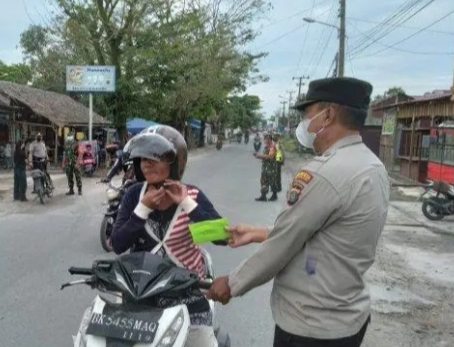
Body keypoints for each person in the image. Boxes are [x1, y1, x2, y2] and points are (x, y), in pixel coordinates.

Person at [206, 77, 390, 347]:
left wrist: (231, 283)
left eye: (307, 114)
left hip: (310, 325)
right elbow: (325, 234)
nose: (304, 122)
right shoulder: (372, 165)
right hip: (348, 317)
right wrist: (257, 233)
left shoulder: (325, 172)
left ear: (328, 115)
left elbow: (283, 244)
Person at [110, 124, 227, 347]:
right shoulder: (135, 195)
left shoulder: (191, 194)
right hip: (141, 292)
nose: (147, 164)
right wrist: (141, 210)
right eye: (143, 158)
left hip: (187, 293)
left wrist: (187, 204)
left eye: (156, 158)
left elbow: (220, 236)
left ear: (176, 162)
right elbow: (117, 244)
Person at [254, 134, 278, 201]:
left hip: (271, 169)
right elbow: (265, 157)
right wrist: (260, 157)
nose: (266, 140)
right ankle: (263, 196)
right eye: (265, 139)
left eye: (268, 139)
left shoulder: (272, 147)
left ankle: (274, 195)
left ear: (270, 140)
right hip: (265, 168)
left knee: (272, 182)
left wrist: (260, 156)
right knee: (263, 182)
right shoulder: (266, 147)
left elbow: (270, 157)